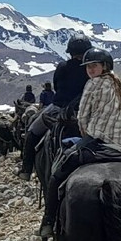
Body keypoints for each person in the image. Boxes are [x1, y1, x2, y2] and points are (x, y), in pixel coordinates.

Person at [40, 48, 121, 237]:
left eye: (94, 66)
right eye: (88, 67)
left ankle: (48, 221)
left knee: (58, 172)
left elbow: (82, 116)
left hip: (95, 141)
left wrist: (87, 135)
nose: (90, 70)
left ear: (104, 66)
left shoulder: (92, 85)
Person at [17, 37, 91, 180]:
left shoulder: (63, 66)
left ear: (70, 52)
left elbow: (56, 86)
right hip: (86, 110)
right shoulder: (91, 68)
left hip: (59, 108)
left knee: (32, 132)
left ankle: (26, 170)